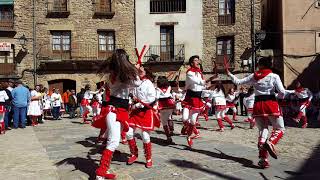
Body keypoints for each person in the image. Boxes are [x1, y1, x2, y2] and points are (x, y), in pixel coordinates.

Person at [226, 56, 288, 169]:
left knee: (262, 129)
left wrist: (229, 74)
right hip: (271, 104)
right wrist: (277, 96)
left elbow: (238, 81)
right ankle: (271, 142)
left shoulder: (254, 76)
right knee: (280, 128)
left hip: (258, 105)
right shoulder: (274, 76)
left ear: (261, 65)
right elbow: (282, 92)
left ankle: (263, 159)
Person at [93, 49, 141, 179]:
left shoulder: (115, 73)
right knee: (114, 141)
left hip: (118, 109)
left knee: (114, 140)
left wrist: (134, 70)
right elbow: (137, 83)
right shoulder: (121, 75)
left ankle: (103, 170)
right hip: (116, 110)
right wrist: (136, 71)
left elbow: (131, 86)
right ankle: (100, 173)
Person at [126, 66, 159, 168]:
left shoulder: (148, 83)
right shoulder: (135, 82)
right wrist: (131, 101)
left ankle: (148, 158)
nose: (140, 71)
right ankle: (134, 154)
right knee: (128, 133)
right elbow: (130, 93)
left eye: (142, 70)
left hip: (145, 111)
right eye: (138, 70)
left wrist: (138, 105)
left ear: (146, 72)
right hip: (135, 111)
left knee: (145, 136)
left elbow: (151, 98)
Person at [181, 55, 216, 148]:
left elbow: (202, 86)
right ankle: (187, 128)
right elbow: (198, 82)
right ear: (192, 63)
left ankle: (189, 137)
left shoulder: (200, 72)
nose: (198, 62)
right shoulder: (189, 73)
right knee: (184, 118)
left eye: (198, 60)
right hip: (189, 98)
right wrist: (211, 78)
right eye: (195, 60)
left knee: (193, 121)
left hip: (197, 99)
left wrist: (208, 85)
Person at [156, 76, 175, 144]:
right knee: (169, 117)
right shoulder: (169, 87)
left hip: (162, 105)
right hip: (169, 104)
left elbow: (157, 97)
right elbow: (170, 95)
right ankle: (171, 129)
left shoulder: (158, 89)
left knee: (164, 122)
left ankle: (168, 137)